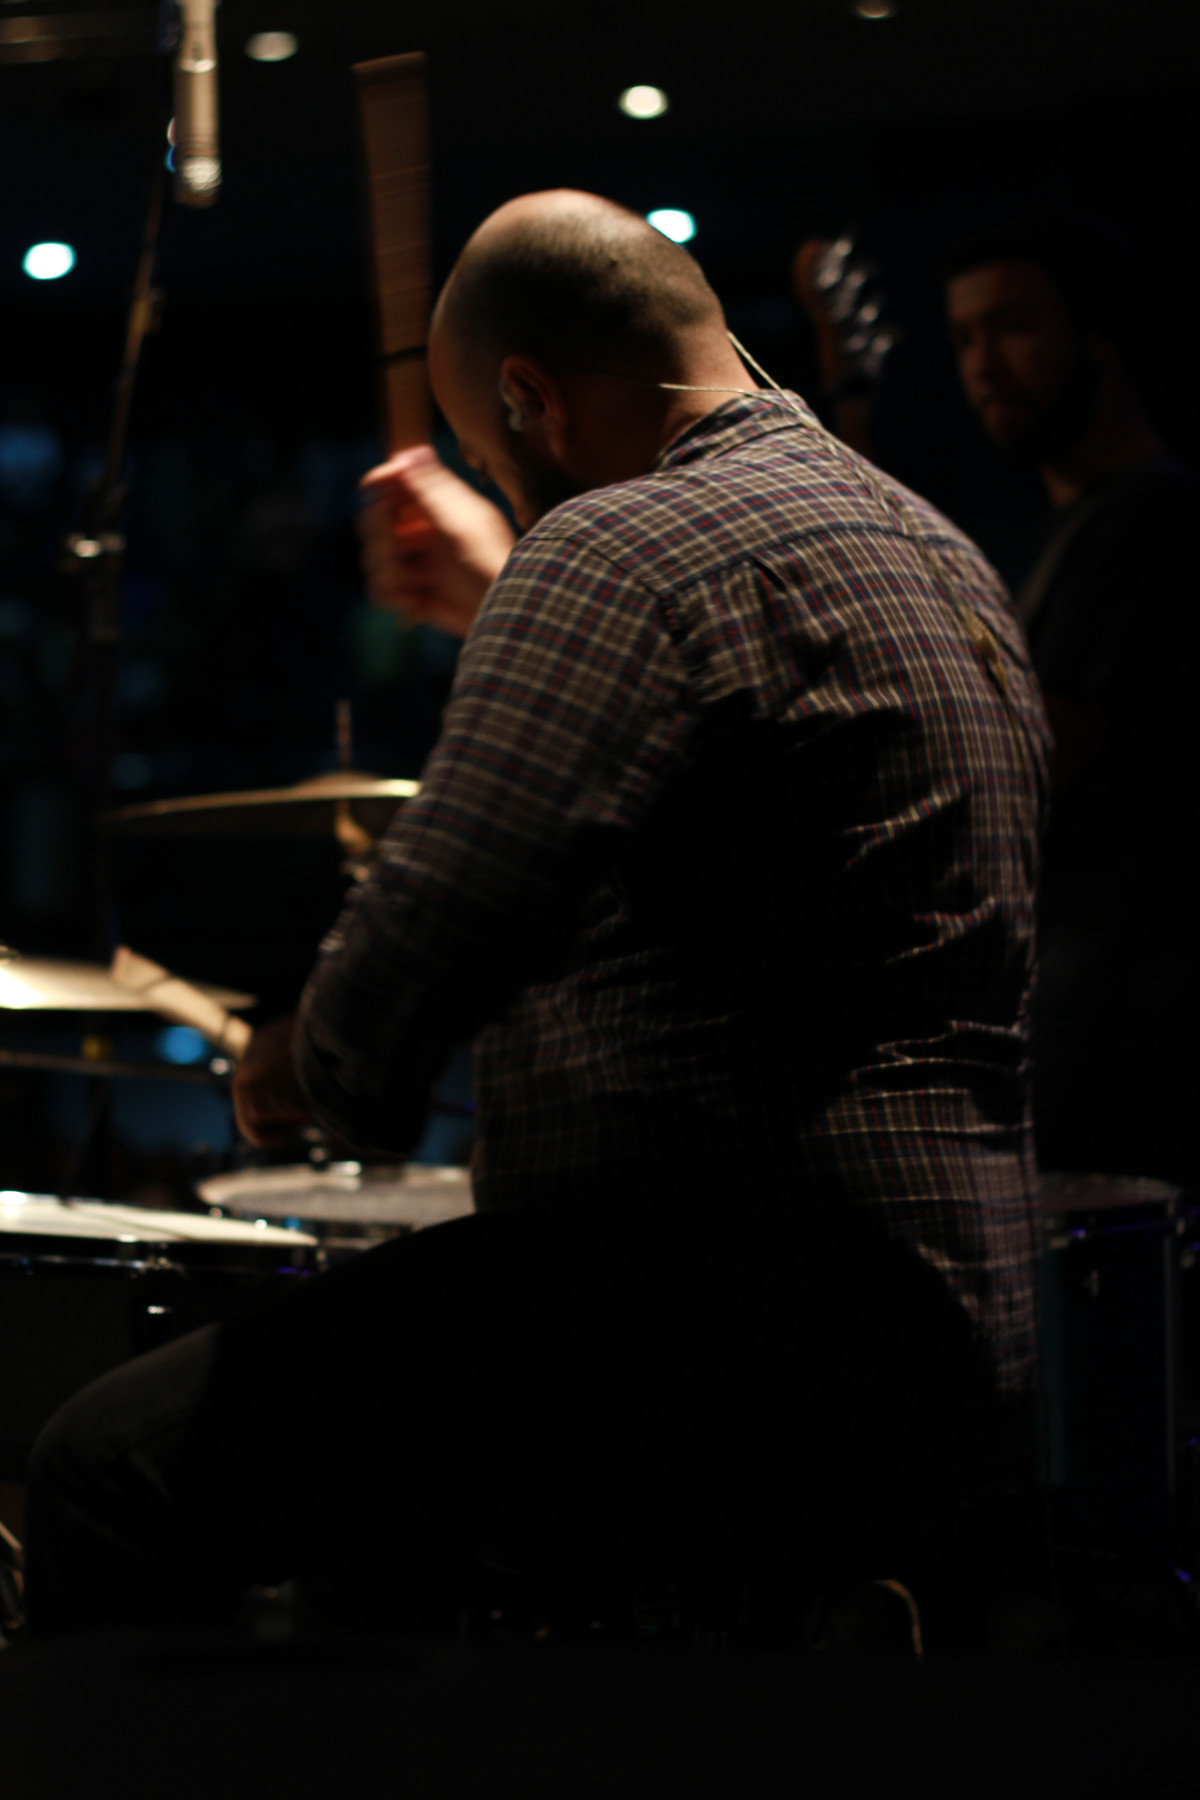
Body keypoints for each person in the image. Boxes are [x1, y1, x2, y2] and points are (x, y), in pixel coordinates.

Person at [23, 191, 1048, 1633]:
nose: (517, 504)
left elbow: (416, 962)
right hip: (953, 1344)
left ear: (529, 398)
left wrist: (292, 1068)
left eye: (504, 465)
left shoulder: (618, 546)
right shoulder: (946, 561)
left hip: (707, 1332)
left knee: (100, 1476)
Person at [944, 216, 1199, 1186]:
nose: (983, 366)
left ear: (1098, 334)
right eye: (964, 338)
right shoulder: (1093, 521)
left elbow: (1040, 754)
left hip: (1129, 1021)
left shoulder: (1147, 515)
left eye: (1012, 326)